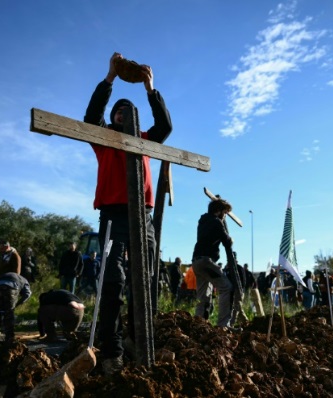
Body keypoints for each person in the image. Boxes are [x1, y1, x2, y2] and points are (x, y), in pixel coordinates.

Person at [83, 52, 172, 376]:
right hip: (113, 219)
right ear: (113, 118)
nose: (122, 112)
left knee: (145, 282)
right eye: (117, 110)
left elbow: (165, 125)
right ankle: (112, 351)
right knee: (112, 283)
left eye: (127, 109)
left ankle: (138, 341)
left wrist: (151, 88)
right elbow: (92, 116)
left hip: (143, 220)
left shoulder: (146, 141)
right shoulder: (104, 140)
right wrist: (109, 78)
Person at [191, 198, 235, 329]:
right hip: (206, 261)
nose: (225, 216)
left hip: (196, 262)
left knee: (203, 295)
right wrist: (230, 238)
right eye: (225, 213)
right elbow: (227, 241)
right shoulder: (216, 222)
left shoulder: (203, 221)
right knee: (226, 287)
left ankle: (199, 325)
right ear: (218, 211)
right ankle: (223, 325)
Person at [0, 272, 31, 342]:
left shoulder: (2, 276)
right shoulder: (24, 280)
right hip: (12, 288)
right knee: (9, 314)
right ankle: (9, 338)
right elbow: (27, 294)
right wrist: (18, 304)